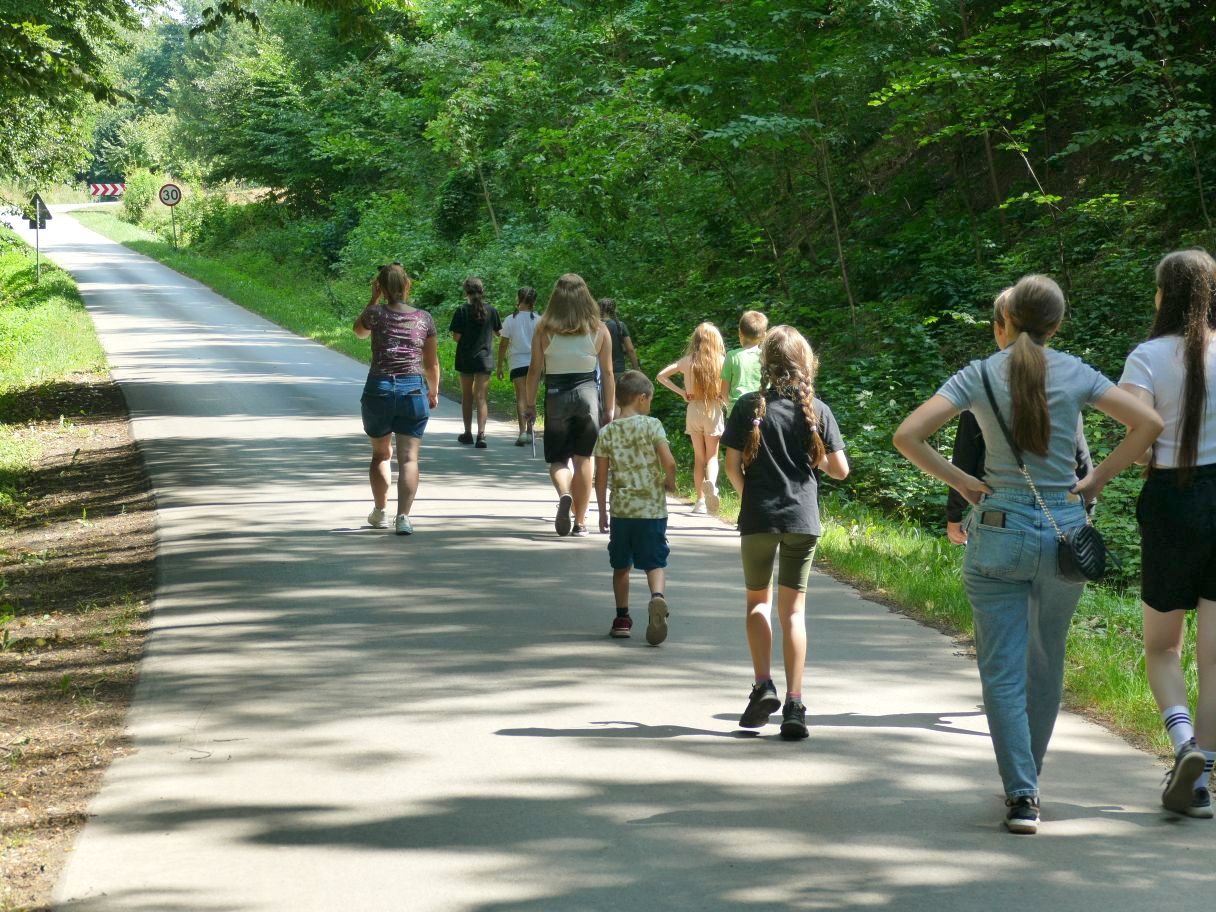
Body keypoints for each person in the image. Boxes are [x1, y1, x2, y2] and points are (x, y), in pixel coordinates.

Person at [893, 274, 1162, 835]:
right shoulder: (1077, 372)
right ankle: (1029, 781)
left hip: (996, 528)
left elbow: (908, 435)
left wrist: (964, 482)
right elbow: (1148, 424)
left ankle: (1021, 794)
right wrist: (1095, 482)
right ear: (1057, 324)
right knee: (1046, 661)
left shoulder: (980, 373)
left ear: (1006, 321)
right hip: (1064, 533)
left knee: (1001, 668)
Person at [1118, 249, 1216, 819]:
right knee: (1215, 654)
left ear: (1164, 295)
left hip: (1173, 500)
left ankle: (1183, 748)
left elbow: (1138, 436)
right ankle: (1203, 768)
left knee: (1163, 645)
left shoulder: (1148, 357)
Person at [722, 326, 849, 740]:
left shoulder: (747, 407)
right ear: (805, 364)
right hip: (802, 521)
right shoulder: (818, 410)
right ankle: (795, 703)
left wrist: (750, 499)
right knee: (793, 612)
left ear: (766, 363)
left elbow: (730, 467)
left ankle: (763, 686)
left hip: (759, 519)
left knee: (758, 604)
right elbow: (841, 470)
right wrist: (816, 459)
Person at [947, 290, 1094, 545]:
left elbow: (965, 458)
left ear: (999, 328)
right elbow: (1080, 456)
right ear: (1050, 330)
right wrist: (1087, 507)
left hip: (1000, 516)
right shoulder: (1065, 381)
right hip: (1060, 515)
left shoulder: (983, 383)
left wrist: (954, 514)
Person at [524, 273, 615, 537]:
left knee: (558, 458)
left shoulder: (544, 328)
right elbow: (608, 373)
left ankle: (565, 494)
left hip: (556, 394)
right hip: (588, 394)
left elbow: (534, 370)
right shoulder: (599, 329)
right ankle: (581, 522)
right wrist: (608, 408)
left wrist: (529, 404)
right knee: (584, 458)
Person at [352, 263, 440, 536]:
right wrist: (433, 391)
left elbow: (358, 331)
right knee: (408, 458)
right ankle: (403, 517)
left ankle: (380, 512)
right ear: (407, 285)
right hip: (413, 389)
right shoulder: (424, 318)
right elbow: (432, 363)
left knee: (380, 453)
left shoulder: (375, 314)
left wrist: (373, 298)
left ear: (380, 286)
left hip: (378, 387)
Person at [593, 371, 678, 643]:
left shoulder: (607, 432)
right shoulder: (652, 426)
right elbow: (670, 463)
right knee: (655, 563)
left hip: (622, 512)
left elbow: (601, 478)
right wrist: (670, 482)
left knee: (621, 567)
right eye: (650, 399)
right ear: (642, 398)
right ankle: (657, 598)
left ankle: (622, 618)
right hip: (652, 511)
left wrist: (603, 512)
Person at [658, 322, 728, 514]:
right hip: (712, 409)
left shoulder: (687, 361)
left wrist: (682, 392)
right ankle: (711, 484)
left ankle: (700, 502)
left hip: (693, 410)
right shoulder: (721, 361)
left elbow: (661, 376)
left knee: (699, 457)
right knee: (712, 456)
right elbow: (725, 391)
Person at [449, 277, 501, 447]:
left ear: (466, 292)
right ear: (482, 291)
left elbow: (456, 337)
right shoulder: (492, 311)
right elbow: (498, 332)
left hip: (466, 359)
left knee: (467, 397)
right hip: (484, 359)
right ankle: (481, 435)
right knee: (481, 398)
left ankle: (467, 433)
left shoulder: (461, 311)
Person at [498, 287, 539, 446]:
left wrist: (500, 365)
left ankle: (522, 432)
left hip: (517, 362)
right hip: (534, 362)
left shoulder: (510, 319)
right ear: (533, 302)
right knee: (531, 397)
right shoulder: (538, 320)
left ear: (519, 299)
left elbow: (503, 344)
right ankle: (530, 430)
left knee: (521, 396)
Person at [720, 310, 768, 410]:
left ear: (740, 332)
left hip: (737, 410)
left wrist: (731, 408)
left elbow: (723, 393)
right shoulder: (767, 357)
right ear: (764, 335)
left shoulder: (732, 356)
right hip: (762, 410)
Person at [600, 298, 641, 376]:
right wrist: (636, 368)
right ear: (614, 310)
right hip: (618, 369)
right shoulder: (620, 325)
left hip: (598, 371)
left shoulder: (593, 326)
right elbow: (630, 349)